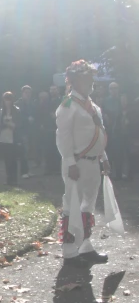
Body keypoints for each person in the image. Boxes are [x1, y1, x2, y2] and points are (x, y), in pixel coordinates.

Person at [57, 60, 110, 267]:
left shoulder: (93, 105)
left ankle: (85, 245)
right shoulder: (67, 105)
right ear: (75, 81)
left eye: (91, 78)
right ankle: (69, 250)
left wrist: (104, 158)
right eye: (86, 78)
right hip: (76, 163)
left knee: (88, 203)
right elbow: (63, 137)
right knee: (73, 203)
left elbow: (97, 134)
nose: (90, 82)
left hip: (93, 163)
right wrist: (70, 162)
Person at [0, 91, 23, 185]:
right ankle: (8, 179)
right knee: (6, 159)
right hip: (4, 137)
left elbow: (19, 124)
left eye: (9, 100)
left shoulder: (16, 110)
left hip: (13, 137)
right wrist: (4, 124)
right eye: (6, 100)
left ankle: (14, 179)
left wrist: (12, 125)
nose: (7, 102)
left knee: (13, 159)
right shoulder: (1, 111)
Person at [15, 85, 35, 178]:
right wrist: (27, 119)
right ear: (22, 93)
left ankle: (28, 170)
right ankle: (23, 171)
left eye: (29, 93)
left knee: (29, 150)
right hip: (21, 130)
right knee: (23, 150)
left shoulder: (32, 103)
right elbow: (18, 117)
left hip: (30, 130)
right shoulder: (18, 104)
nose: (28, 95)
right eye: (26, 93)